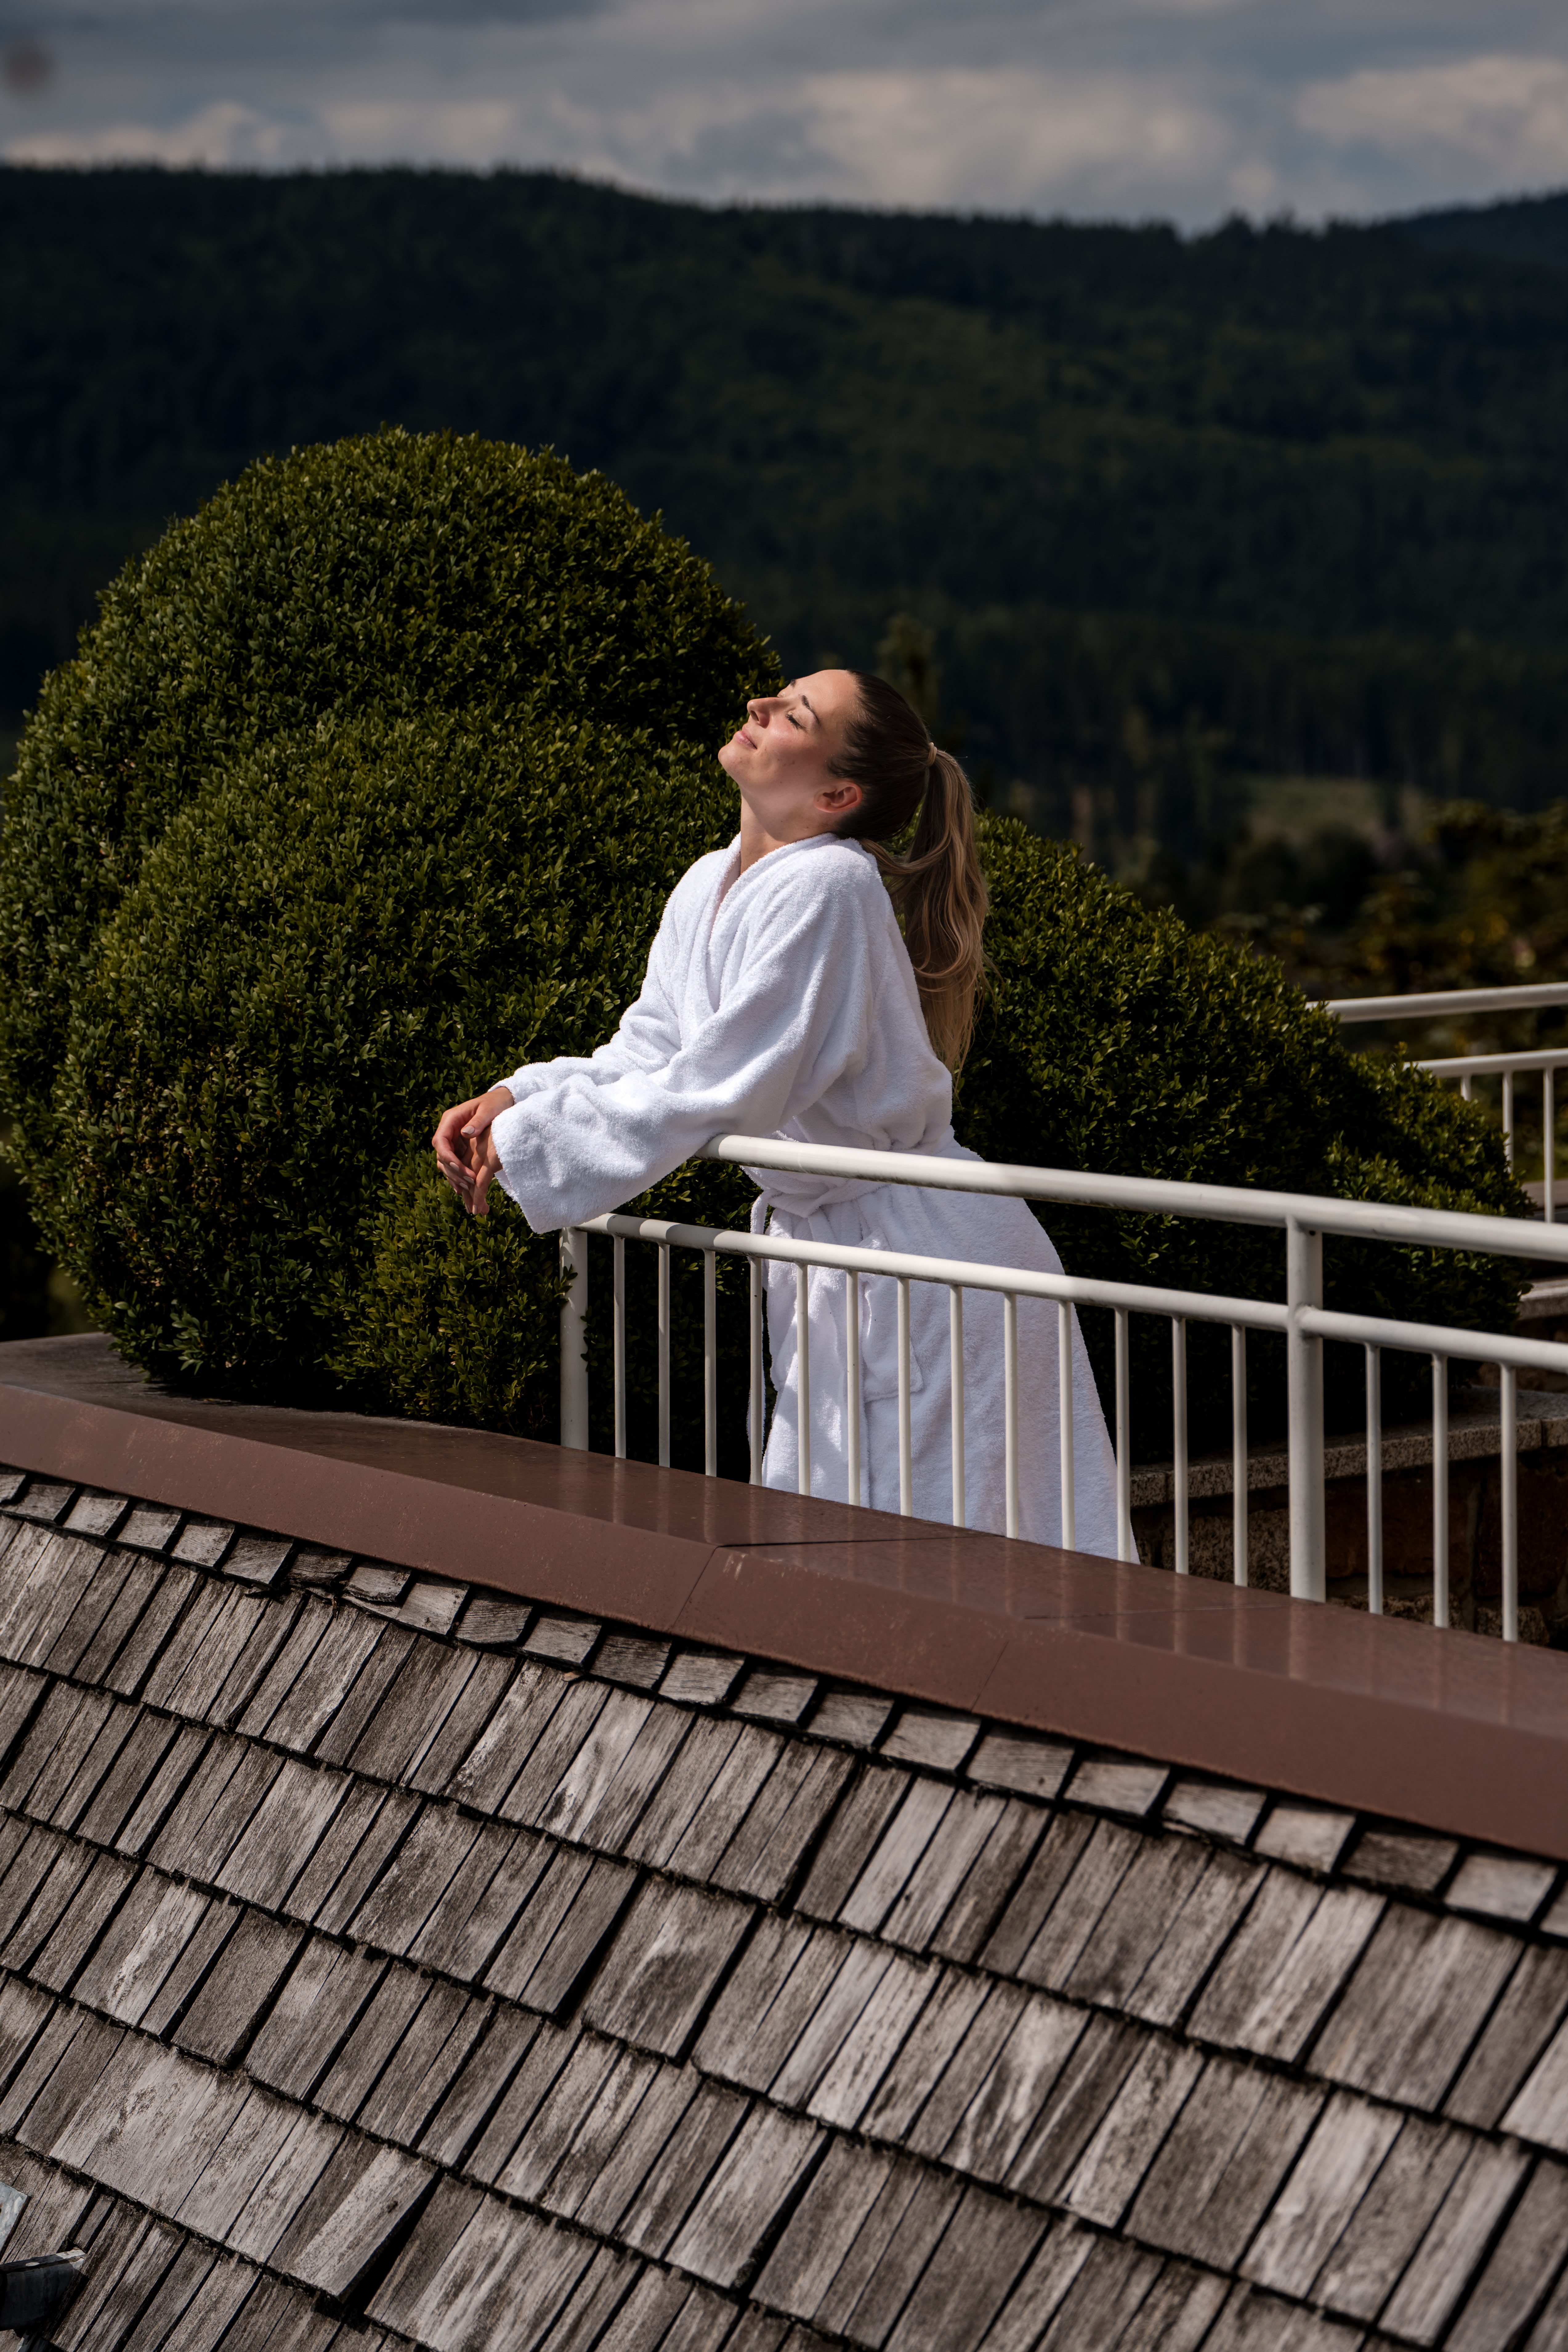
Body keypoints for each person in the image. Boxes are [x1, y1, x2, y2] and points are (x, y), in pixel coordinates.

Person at [433, 670, 1118, 1553]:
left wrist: (530, 1142)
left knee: (971, 1547)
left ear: (837, 794)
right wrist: (521, 1094)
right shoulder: (708, 881)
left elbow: (731, 1080)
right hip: (845, 1253)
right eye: (778, 696)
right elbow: (654, 1052)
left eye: (793, 714)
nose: (758, 707)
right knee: (865, 1543)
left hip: (931, 1262)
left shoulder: (830, 885)